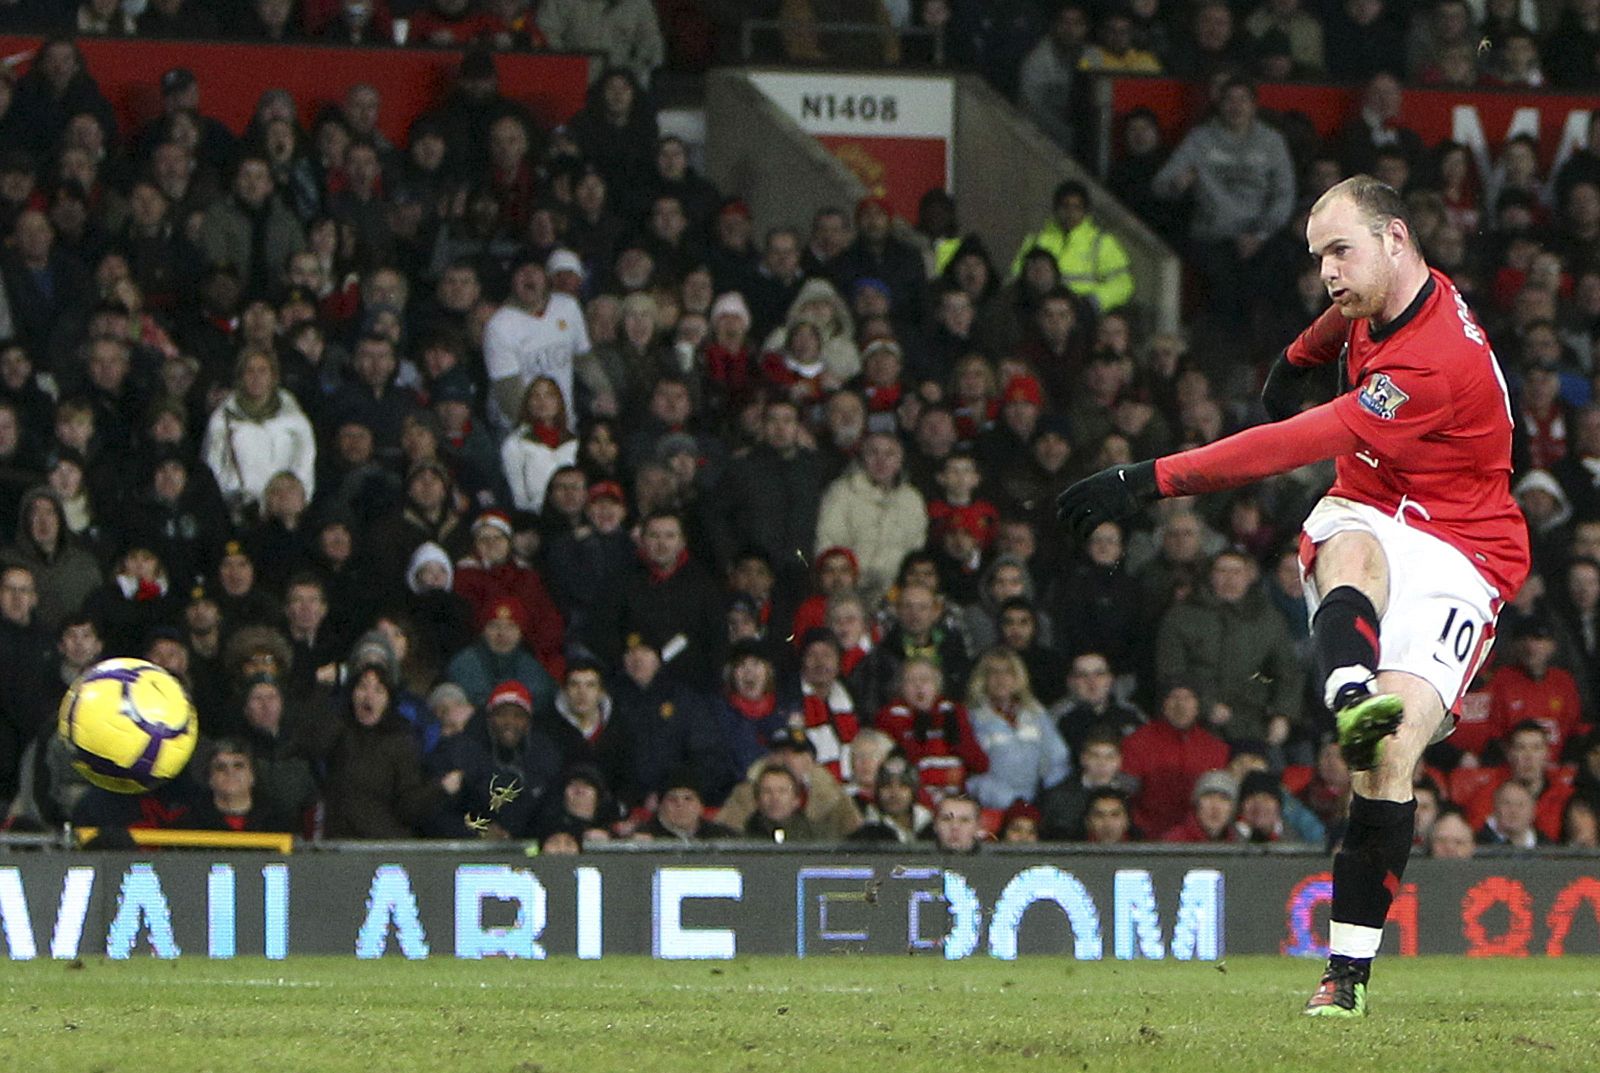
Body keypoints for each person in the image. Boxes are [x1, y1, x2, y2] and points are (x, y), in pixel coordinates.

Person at [1057, 175, 1530, 1016]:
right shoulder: (1387, 291)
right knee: (1352, 549)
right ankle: (1351, 687)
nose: (1328, 275)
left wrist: (1149, 478)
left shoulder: (1432, 362)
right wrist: (1301, 352)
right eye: (1318, 258)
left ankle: (1349, 967)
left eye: (1339, 251)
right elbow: (1343, 315)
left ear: (1395, 239)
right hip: (1378, 504)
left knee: (1393, 752)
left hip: (1468, 548)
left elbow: (1293, 443)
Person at [1010, 181, 1134, 314]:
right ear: (1056, 209)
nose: (1070, 213)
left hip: (1084, 317)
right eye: (1065, 206)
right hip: (1040, 314)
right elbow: (1014, 279)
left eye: (1077, 207)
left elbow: (1122, 284)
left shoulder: (1102, 243)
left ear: (1085, 211)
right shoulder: (1035, 241)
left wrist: (1092, 302)